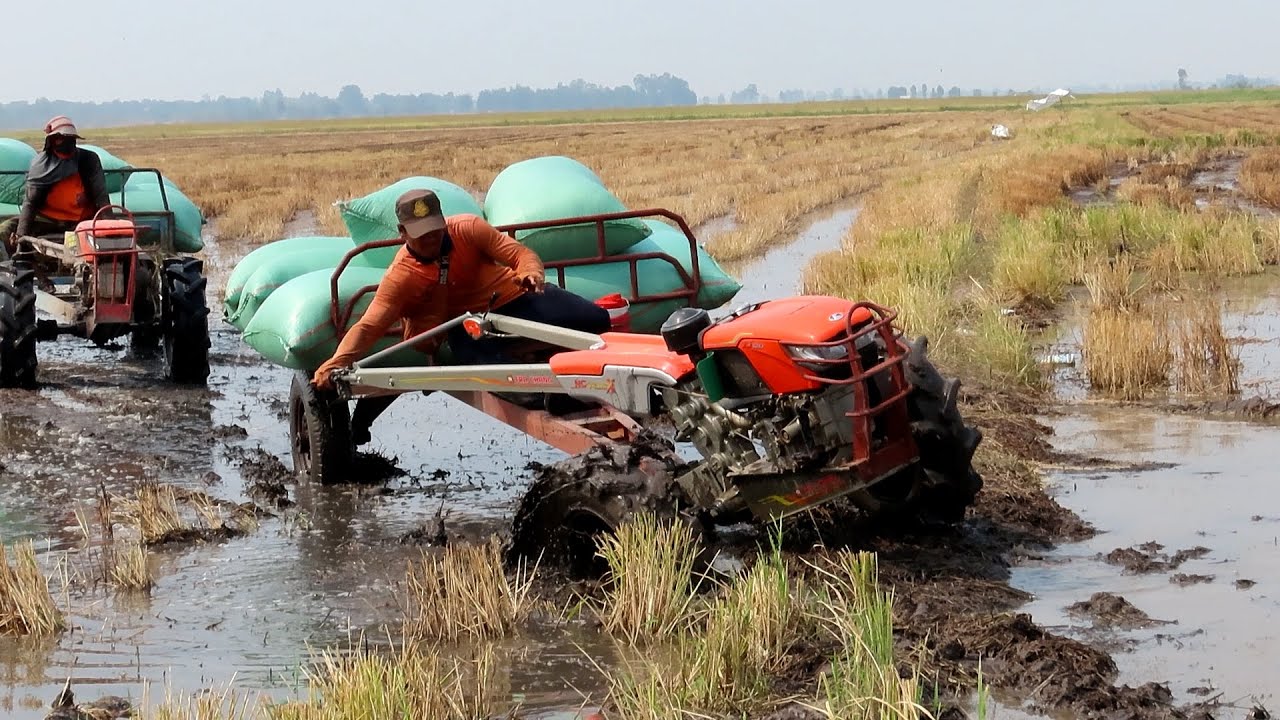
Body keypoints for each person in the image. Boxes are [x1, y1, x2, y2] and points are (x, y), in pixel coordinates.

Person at [311, 188, 611, 444]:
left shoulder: (468, 229)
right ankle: (546, 394)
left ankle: (539, 355)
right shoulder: (401, 277)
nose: (431, 238)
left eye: (435, 229)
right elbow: (369, 326)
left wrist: (530, 274)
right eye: (421, 235)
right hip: (464, 324)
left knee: (596, 320)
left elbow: (521, 255)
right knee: (491, 366)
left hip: (513, 299)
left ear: (443, 220)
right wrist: (336, 363)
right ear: (402, 233)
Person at [0, 116, 109, 260]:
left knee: (114, 239)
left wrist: (109, 227)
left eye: (70, 139)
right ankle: (18, 264)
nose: (66, 143)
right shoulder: (40, 165)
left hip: (81, 222)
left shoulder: (88, 160)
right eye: (60, 139)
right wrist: (21, 236)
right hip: (47, 220)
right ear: (51, 141)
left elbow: (101, 197)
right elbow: (30, 204)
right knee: (5, 229)